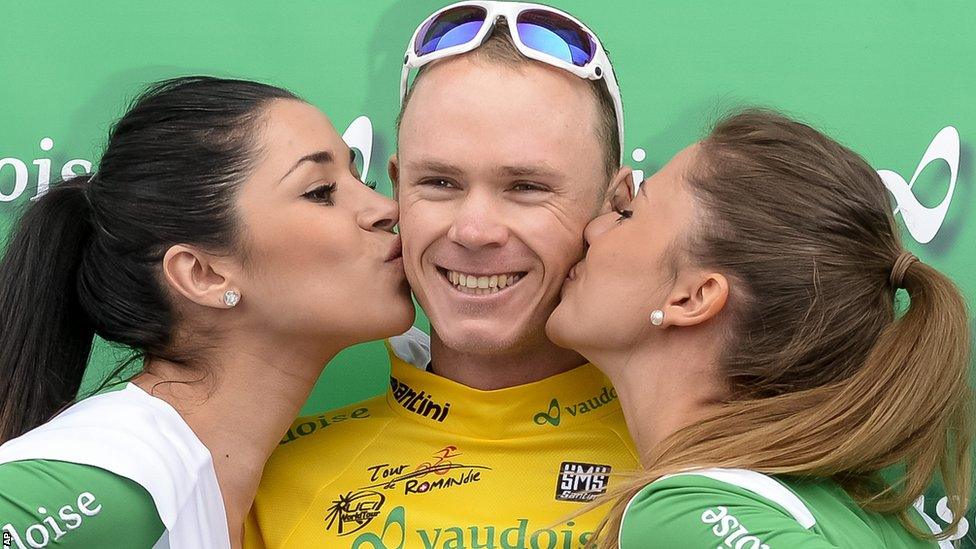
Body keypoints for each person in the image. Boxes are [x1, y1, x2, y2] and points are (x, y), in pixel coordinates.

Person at [246, 2, 639, 547]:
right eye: (440, 183)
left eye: (526, 187)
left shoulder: (710, 479)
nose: (475, 231)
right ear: (396, 188)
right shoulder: (260, 485)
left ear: (617, 207)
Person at [0, 76, 414, 549]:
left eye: (360, 178)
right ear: (203, 274)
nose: (386, 208)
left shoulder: (207, 482)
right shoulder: (123, 478)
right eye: (321, 191)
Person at [545, 109, 972, 548]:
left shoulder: (682, 512)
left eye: (629, 213)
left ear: (693, 298)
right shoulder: (850, 508)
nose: (595, 228)